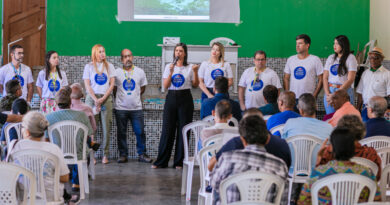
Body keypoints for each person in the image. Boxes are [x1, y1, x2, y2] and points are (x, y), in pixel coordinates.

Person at [210, 115, 289, 205]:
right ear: (267, 139)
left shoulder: (227, 159)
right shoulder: (280, 166)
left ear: (243, 140)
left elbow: (213, 183)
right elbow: (283, 201)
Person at [298, 127, 381, 204]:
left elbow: (303, 202)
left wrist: (319, 158)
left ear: (332, 148)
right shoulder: (368, 173)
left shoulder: (318, 173)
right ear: (353, 149)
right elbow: (377, 201)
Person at [152, 43, 199, 169]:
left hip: (185, 99)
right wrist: (171, 72)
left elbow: (195, 85)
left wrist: (196, 72)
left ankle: (179, 162)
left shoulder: (189, 67)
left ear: (185, 53)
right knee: (167, 130)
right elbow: (165, 86)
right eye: (176, 50)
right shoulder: (169, 66)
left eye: (181, 51)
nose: (178, 53)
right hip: (171, 97)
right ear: (174, 53)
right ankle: (161, 161)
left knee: (183, 130)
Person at [9, 111, 70, 202]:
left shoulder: (16, 147)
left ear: (27, 132)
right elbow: (65, 178)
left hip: (24, 198)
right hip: (50, 199)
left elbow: (11, 175)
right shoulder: (53, 149)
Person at [208, 108, 291, 172]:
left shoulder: (234, 143)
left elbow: (211, 166)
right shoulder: (281, 144)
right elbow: (286, 170)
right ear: (263, 123)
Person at [46, 86, 94, 192]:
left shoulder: (48, 117)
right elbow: (89, 133)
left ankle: (59, 179)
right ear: (70, 102)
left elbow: (46, 139)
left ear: (56, 103)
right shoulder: (82, 116)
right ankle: (76, 182)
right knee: (83, 148)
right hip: (78, 153)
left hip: (57, 153)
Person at [114, 49, 151, 163]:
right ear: (122, 59)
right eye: (125, 57)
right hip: (120, 108)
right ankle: (123, 155)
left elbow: (143, 87)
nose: (128, 58)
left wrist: (134, 96)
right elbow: (114, 89)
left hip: (136, 108)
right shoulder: (117, 72)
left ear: (132, 57)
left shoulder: (140, 71)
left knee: (140, 132)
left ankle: (142, 154)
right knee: (121, 133)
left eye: (129, 56)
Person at [317, 115, 382, 180]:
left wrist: (319, 157)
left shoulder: (330, 152)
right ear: (361, 132)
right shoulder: (371, 154)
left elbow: (319, 177)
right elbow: (377, 178)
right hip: (363, 189)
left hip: (333, 189)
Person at [83, 44, 116, 164]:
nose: (103, 54)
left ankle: (105, 154)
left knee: (106, 127)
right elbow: (87, 85)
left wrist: (103, 99)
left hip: (105, 98)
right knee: (91, 128)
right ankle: (92, 155)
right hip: (92, 98)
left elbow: (112, 84)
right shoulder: (89, 67)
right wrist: (95, 99)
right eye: (100, 52)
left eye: (104, 51)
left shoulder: (109, 66)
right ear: (95, 53)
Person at [323, 35, 357, 114]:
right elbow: (325, 77)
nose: (334, 46)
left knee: (345, 119)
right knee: (331, 118)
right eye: (334, 43)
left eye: (337, 44)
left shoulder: (351, 58)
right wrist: (328, 94)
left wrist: (335, 94)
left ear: (343, 45)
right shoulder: (331, 58)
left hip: (344, 90)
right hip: (330, 90)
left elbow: (350, 79)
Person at [283, 34, 323, 101]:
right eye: (296, 43)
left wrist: (315, 94)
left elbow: (321, 79)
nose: (297, 46)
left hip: (308, 98)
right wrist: (288, 94)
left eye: (300, 43)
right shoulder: (291, 59)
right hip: (293, 98)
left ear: (307, 45)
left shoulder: (315, 59)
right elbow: (286, 78)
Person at [356, 47, 390, 122]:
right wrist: (358, 108)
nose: (373, 60)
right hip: (366, 108)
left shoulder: (387, 74)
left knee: (378, 130)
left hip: (380, 111)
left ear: (381, 59)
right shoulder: (365, 73)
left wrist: (388, 109)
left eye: (376, 58)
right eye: (371, 58)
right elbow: (360, 92)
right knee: (365, 130)